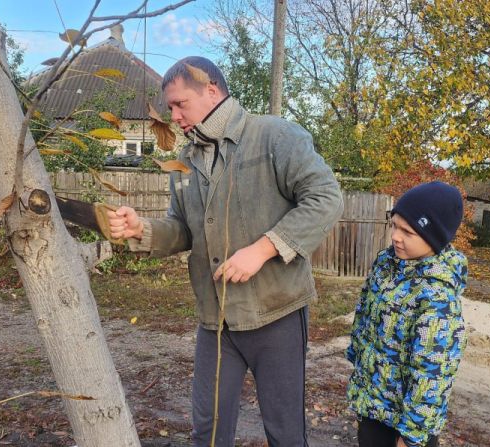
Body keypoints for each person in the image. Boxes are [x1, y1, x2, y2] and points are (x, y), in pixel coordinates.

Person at [106, 56, 343, 447]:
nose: (174, 116)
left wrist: (263, 249)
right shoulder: (184, 163)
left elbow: (325, 198)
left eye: (180, 104)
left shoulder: (274, 136)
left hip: (277, 314)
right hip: (215, 321)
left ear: (212, 91)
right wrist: (141, 229)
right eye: (170, 107)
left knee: (285, 433)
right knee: (208, 432)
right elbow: (183, 230)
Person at [346, 181, 468, 447]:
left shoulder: (436, 296)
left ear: (434, 237)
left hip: (405, 424)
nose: (395, 237)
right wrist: (357, 354)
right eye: (394, 226)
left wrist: (410, 438)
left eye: (408, 232)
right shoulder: (387, 264)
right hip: (373, 403)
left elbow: (433, 374)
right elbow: (365, 311)